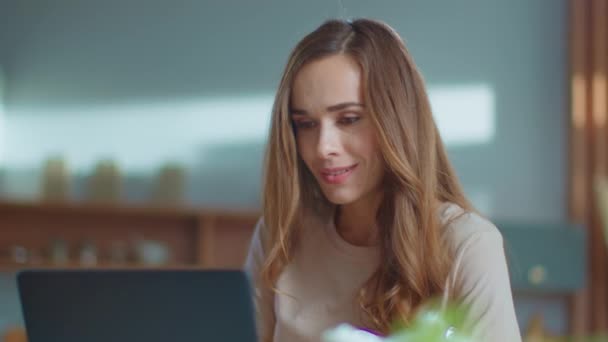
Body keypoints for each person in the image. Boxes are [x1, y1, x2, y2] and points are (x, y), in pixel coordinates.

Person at [245, 18, 521, 342]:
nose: (323, 148)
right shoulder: (279, 234)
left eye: (348, 119)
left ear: (395, 121)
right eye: (305, 124)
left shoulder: (468, 246)